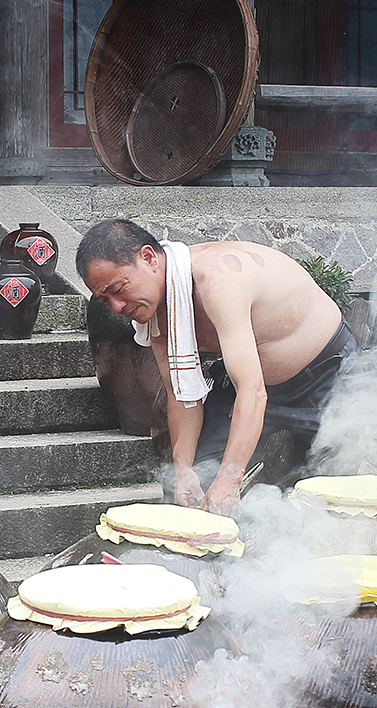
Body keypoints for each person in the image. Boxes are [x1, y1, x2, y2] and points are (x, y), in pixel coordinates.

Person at [76, 218, 354, 514]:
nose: (117, 307)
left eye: (118, 289)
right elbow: (181, 394)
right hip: (243, 389)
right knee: (195, 489)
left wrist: (229, 480)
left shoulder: (218, 279)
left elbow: (253, 390)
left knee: (343, 500)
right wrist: (183, 469)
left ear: (147, 258)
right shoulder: (154, 307)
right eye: (105, 300)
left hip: (328, 376)